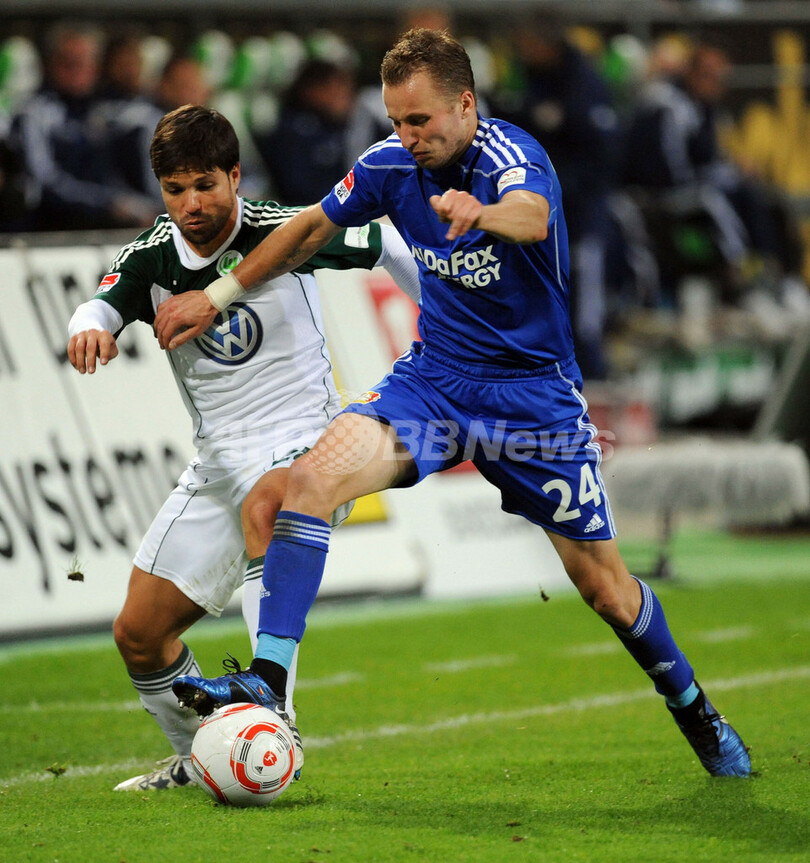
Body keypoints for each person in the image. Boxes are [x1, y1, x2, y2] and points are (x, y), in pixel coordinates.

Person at [159, 30, 750, 779]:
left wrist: (483, 213)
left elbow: (532, 216)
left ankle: (694, 707)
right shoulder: (390, 163)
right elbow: (309, 227)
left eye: (420, 120)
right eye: (395, 120)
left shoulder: (512, 158)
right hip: (434, 385)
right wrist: (217, 295)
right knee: (307, 481)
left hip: (532, 402)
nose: (407, 136)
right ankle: (268, 684)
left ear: (465, 104)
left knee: (605, 589)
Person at [66, 104, 420, 791]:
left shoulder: (283, 232)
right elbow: (101, 302)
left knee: (269, 504)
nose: (191, 204)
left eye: (206, 184)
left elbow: (385, 243)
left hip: (306, 446)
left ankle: (273, 709)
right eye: (175, 189)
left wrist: (442, 319)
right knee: (138, 634)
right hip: (218, 464)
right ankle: (200, 757)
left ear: (235, 175)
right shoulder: (155, 256)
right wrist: (91, 326)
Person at [10, 22, 160, 231]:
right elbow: (43, 182)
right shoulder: (33, 113)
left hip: (103, 227)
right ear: (51, 63)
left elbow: (112, 177)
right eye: (68, 61)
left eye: (85, 62)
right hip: (48, 230)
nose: (77, 70)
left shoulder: (104, 113)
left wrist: (138, 206)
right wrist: (109, 204)